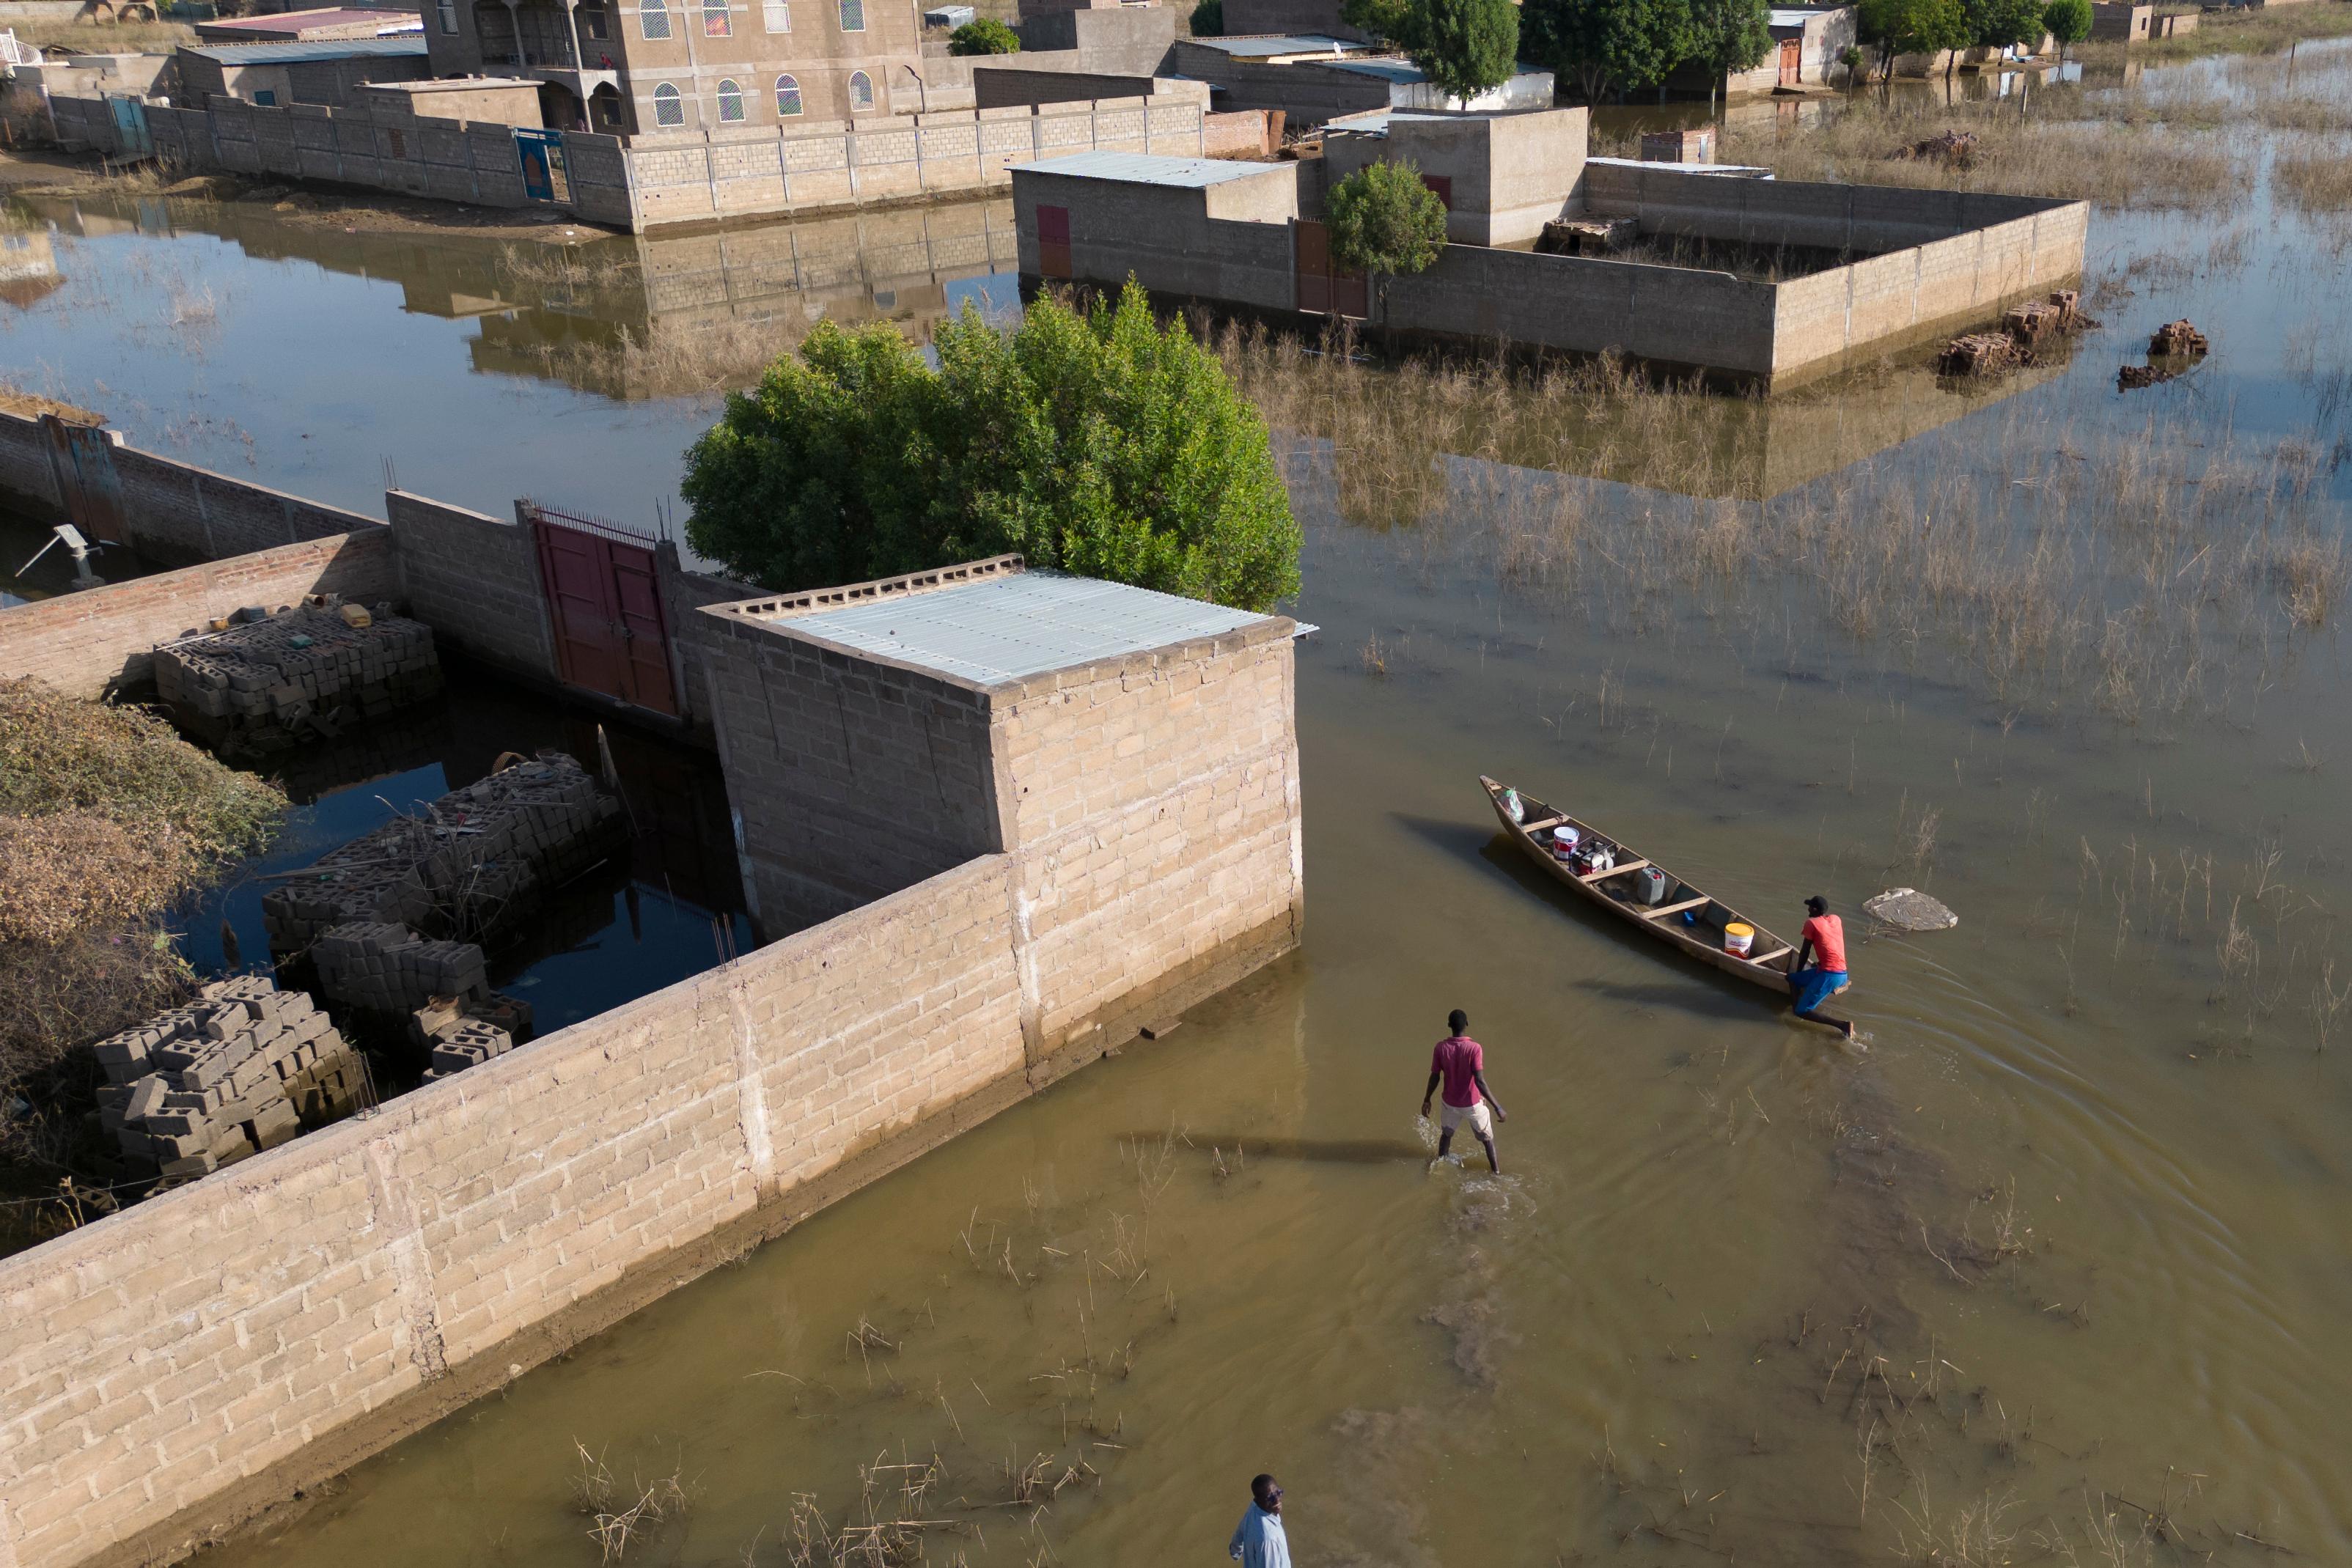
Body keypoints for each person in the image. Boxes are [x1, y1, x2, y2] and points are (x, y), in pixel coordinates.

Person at [1422, 1009, 1507, 1172]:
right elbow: (1480, 1081)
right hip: (1472, 1104)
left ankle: (1440, 1165)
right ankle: (1496, 1173)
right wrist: (1498, 1108)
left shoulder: (1441, 1048)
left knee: (1446, 1135)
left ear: (1449, 1025)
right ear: (1467, 1024)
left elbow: (1435, 1077)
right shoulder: (1474, 1048)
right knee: (1487, 1140)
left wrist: (1427, 1099)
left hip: (1449, 1104)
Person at [1788, 895, 1854, 1039]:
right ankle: (1803, 998)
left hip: (1830, 975)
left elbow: (1805, 951)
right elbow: (1830, 942)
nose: (1808, 910)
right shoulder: (1836, 919)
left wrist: (1799, 972)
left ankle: (1843, 1025)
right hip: (1841, 973)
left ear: (1815, 909)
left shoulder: (1811, 923)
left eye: (1810, 907)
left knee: (1800, 1011)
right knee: (1792, 979)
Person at [1229, 1473, 1290, 1568]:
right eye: (1270, 1498)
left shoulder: (1254, 1509)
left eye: (1278, 1493)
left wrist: (1235, 1551)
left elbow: (1240, 1533)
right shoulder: (1269, 1540)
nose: (1277, 1500)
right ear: (1257, 1500)